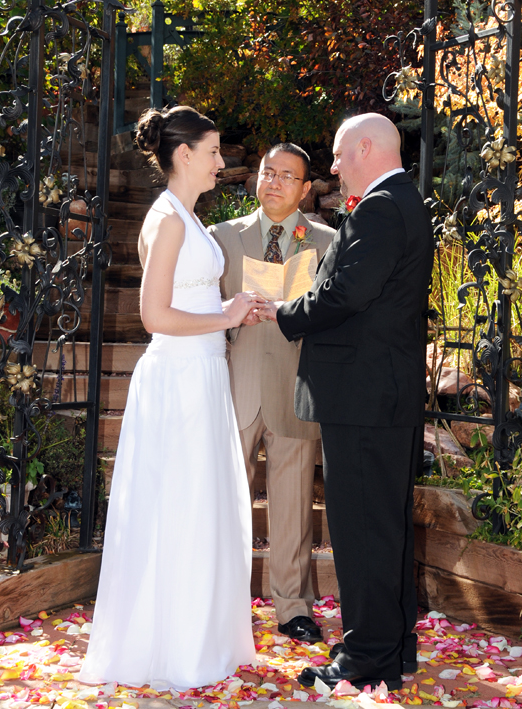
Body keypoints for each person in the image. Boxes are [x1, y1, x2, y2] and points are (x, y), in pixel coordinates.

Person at [79, 106, 262, 690]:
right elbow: (153, 315)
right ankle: (174, 649)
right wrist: (226, 314)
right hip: (179, 382)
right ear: (183, 155)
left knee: (199, 507)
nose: (220, 161)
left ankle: (199, 638)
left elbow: (194, 303)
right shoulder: (172, 220)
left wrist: (232, 314)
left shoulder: (187, 215)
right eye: (212, 151)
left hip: (201, 376)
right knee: (178, 508)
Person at [258, 114, 434, 691]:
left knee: (362, 530)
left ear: (365, 148)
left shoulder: (382, 208)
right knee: (385, 528)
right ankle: (394, 648)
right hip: (380, 395)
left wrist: (284, 313)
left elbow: (347, 292)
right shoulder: (405, 202)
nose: (332, 167)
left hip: (362, 397)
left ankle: (363, 658)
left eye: (337, 155)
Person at [209, 144, 334, 644]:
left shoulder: (327, 240)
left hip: (297, 387)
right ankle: (219, 600)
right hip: (234, 383)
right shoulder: (222, 238)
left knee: (294, 505)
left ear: (305, 189)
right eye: (268, 172)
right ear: (255, 180)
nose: (275, 181)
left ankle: (293, 607)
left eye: (288, 175)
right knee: (223, 501)